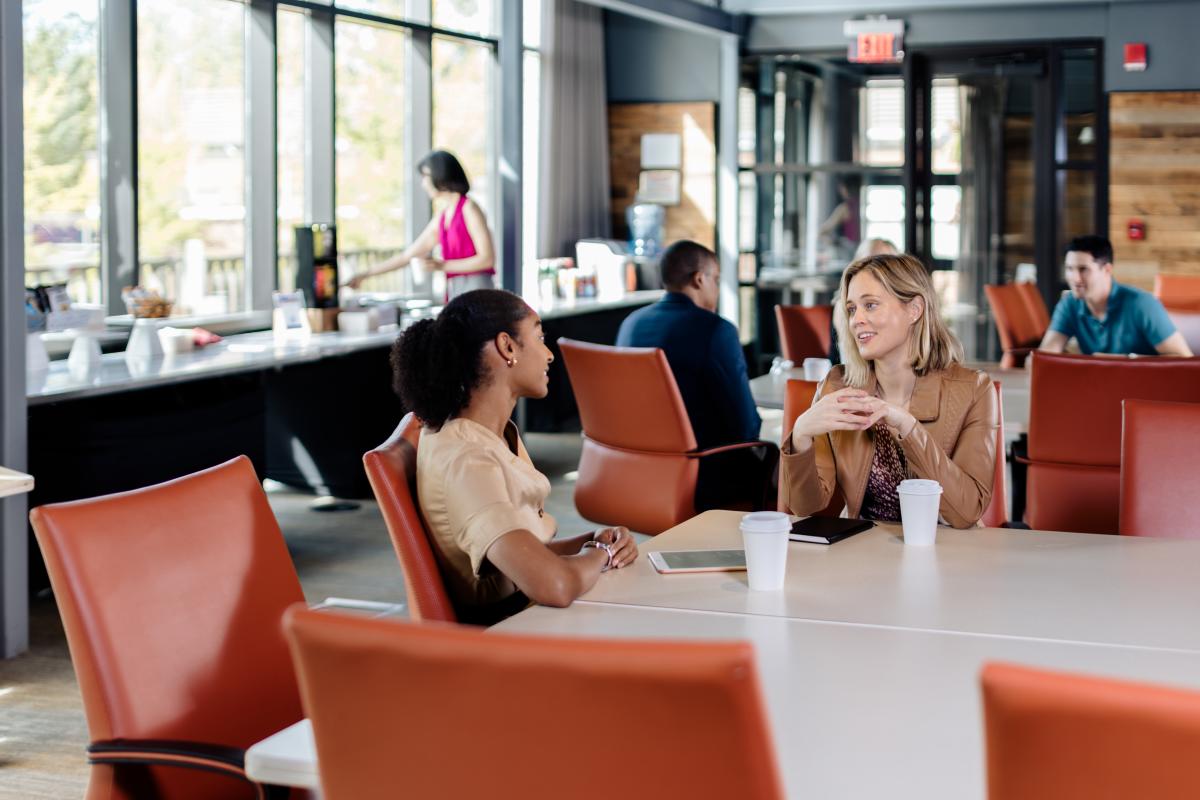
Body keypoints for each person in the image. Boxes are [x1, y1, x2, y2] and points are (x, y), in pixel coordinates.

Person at [392, 289, 637, 625]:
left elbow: (520, 559)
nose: (549, 354)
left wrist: (591, 542)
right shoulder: (467, 460)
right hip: (513, 638)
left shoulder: (488, 434)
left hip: (528, 617)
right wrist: (601, 555)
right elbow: (554, 585)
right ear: (507, 347)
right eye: (538, 336)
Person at [782, 253, 997, 529]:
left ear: (914, 309)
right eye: (851, 309)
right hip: (864, 552)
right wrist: (801, 435)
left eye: (870, 305)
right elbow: (805, 508)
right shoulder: (837, 385)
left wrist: (908, 427)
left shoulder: (974, 390)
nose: (856, 319)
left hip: (948, 555)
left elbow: (966, 512)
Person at [617, 240, 774, 511]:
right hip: (704, 475)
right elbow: (746, 427)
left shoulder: (631, 324)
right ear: (699, 280)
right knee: (783, 463)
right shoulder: (716, 331)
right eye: (716, 279)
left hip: (631, 471)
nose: (716, 288)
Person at [346, 151, 496, 301]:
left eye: (426, 176)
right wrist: (365, 275)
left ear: (441, 174)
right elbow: (407, 256)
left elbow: (487, 259)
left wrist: (442, 266)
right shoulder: (443, 217)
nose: (423, 183)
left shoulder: (469, 208)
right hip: (456, 290)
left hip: (477, 290)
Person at [1039, 235, 1192, 357]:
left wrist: (1127, 361)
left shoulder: (1142, 304)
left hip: (1145, 390)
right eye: (1069, 269)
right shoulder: (1069, 304)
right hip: (1099, 388)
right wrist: (1037, 361)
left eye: (1083, 269)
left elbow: (1184, 360)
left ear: (1107, 270)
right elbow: (1046, 355)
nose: (1075, 278)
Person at [830, 237, 899, 364]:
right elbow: (852, 363)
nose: (878, 271)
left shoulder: (900, 304)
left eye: (886, 265)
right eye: (870, 263)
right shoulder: (842, 306)